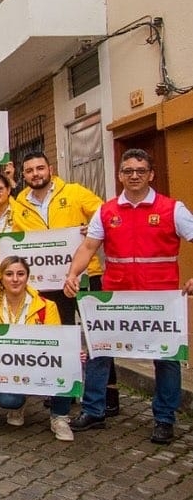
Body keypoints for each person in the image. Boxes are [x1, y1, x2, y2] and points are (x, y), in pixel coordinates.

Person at [64, 148, 193, 444]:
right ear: (120, 175)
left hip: (160, 299)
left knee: (166, 358)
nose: (134, 176)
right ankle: (94, 410)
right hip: (115, 296)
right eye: (128, 171)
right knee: (100, 351)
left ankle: (164, 419)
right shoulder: (106, 211)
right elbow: (87, 248)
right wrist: (73, 274)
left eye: (140, 170)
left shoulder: (172, 209)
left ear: (150, 174)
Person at [15, 151, 117, 412]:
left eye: (40, 168)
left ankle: (108, 396)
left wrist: (92, 227)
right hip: (46, 282)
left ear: (50, 169)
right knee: (58, 336)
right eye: (29, 170)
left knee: (97, 336)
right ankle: (64, 390)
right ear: (23, 175)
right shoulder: (19, 202)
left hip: (85, 276)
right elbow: (16, 241)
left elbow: (106, 213)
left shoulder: (73, 192)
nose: (35, 174)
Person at [0, 256, 75, 441]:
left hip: (37, 362)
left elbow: (56, 342)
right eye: (9, 274)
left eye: (20, 274)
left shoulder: (47, 306)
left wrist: (70, 352)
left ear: (27, 277)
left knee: (69, 361)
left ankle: (59, 417)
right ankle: (17, 405)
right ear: (1, 278)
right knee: (8, 400)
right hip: (5, 366)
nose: (15, 279)